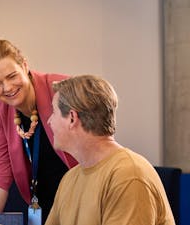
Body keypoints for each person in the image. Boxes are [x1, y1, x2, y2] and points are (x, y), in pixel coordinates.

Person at [46, 75, 175, 225]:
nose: (49, 121)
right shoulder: (69, 179)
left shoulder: (129, 175)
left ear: (72, 118)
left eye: (53, 112)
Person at [0, 39, 78, 224]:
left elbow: (95, 146)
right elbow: (0, 166)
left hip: (80, 202)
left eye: (11, 76)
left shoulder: (62, 89)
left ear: (25, 66)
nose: (7, 88)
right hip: (41, 205)